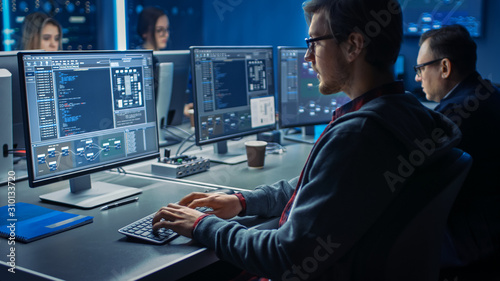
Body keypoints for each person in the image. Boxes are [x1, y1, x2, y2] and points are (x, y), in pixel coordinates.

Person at [152, 0, 462, 279]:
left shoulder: (359, 136)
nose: (307, 56)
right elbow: (315, 187)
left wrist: (201, 225)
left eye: (314, 42)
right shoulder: (404, 112)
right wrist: (243, 201)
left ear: (353, 45)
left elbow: (284, 256)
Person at [415, 25, 500, 277]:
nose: (417, 77)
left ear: (444, 67)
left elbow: (413, 183)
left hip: (472, 246)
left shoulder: (451, 117)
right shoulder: (491, 92)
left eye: (420, 69)